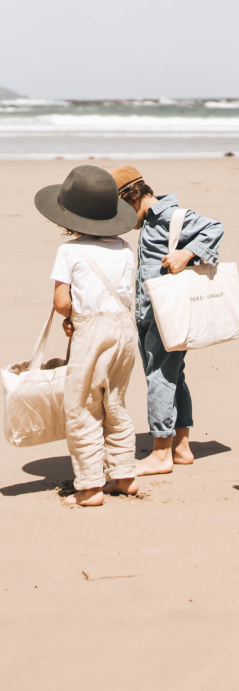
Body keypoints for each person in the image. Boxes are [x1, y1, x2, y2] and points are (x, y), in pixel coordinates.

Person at [35, 165, 140, 507]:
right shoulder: (125, 248)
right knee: (116, 402)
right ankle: (124, 475)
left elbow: (62, 301)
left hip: (91, 330)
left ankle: (91, 486)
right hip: (124, 329)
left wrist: (71, 319)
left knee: (81, 406)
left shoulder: (69, 251)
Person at [111, 166, 223, 475]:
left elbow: (214, 227)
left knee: (158, 376)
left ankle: (161, 450)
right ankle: (182, 447)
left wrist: (186, 254)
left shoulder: (169, 216)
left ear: (132, 198)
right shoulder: (148, 221)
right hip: (151, 313)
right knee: (174, 375)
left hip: (167, 313)